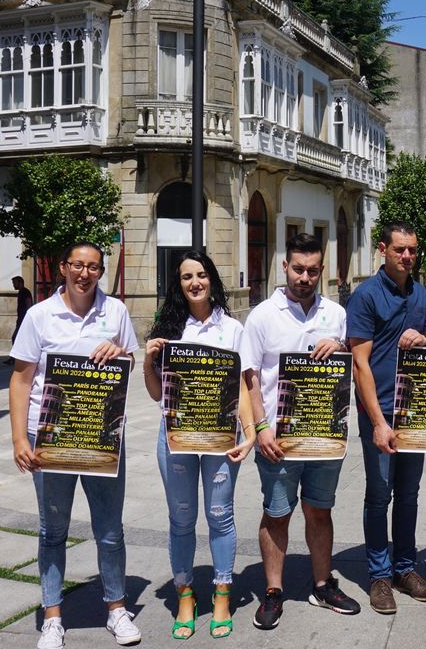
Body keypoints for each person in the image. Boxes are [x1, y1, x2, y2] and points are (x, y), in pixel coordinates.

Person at [7, 242, 141, 649]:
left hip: (101, 433)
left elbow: (131, 361)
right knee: (52, 531)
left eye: (94, 267)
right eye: (78, 265)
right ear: (64, 268)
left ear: (102, 271)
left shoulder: (115, 311)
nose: (85, 274)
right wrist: (18, 439)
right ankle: (52, 616)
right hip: (49, 435)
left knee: (110, 529)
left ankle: (117, 608)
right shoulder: (39, 316)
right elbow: (21, 379)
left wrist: (121, 352)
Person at [242, 233, 361, 629]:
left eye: (312, 271)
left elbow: (348, 363)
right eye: (297, 269)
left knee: (319, 510)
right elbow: (251, 377)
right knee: (277, 514)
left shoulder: (336, 313)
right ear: (284, 267)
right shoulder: (262, 315)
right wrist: (260, 428)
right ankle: (273, 591)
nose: (304, 277)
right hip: (277, 438)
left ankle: (322, 584)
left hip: (324, 434)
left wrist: (339, 346)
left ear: (321, 271)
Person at [142, 250, 256, 640]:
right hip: (176, 438)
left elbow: (241, 385)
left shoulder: (232, 328)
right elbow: (157, 393)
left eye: (202, 275)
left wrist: (252, 431)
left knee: (220, 515)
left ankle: (222, 593)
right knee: (182, 519)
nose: (195, 282)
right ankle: (185, 596)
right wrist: (147, 362)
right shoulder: (169, 326)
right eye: (187, 276)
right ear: (178, 284)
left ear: (212, 280)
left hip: (222, 436)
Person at [346, 221, 426, 614]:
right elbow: (360, 364)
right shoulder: (366, 296)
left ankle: (405, 569)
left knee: (409, 495)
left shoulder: (420, 292)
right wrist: (377, 422)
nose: (407, 256)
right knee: (379, 495)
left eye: (412, 250)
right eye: (399, 250)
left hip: (415, 413)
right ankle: (378, 575)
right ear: (383, 250)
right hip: (382, 414)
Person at [4, 276, 35, 365]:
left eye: (15, 283)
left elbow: (28, 304)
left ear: (20, 282)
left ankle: (15, 358)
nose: (13, 285)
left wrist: (27, 318)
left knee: (16, 337)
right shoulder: (21, 292)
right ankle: (15, 358)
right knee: (18, 338)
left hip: (24, 320)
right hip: (21, 319)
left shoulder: (25, 292)